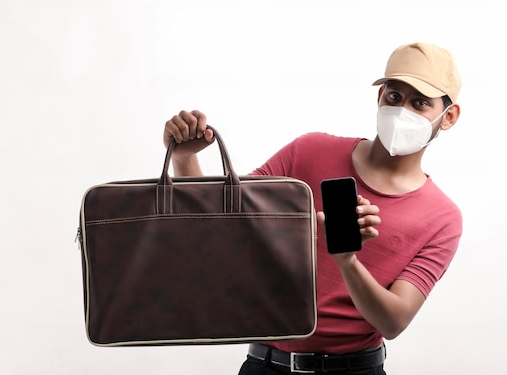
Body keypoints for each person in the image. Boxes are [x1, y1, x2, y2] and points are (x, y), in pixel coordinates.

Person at [162, 42, 462, 374]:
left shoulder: (441, 217)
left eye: (419, 103)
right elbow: (217, 224)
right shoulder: (309, 152)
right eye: (394, 96)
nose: (402, 110)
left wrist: (347, 259)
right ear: (379, 98)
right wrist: (184, 157)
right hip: (265, 364)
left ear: (448, 116)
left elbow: (393, 321)